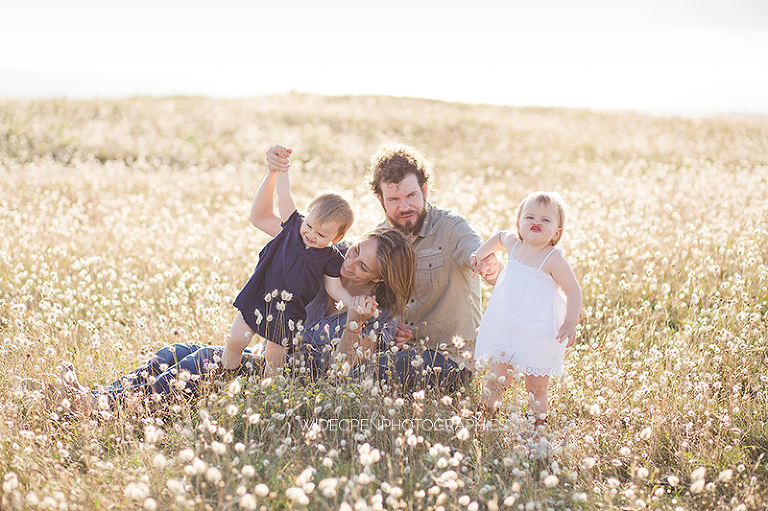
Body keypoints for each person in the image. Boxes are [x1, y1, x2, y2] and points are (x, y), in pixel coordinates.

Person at [57, 227, 415, 413]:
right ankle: (99, 398)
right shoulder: (326, 260)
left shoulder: (378, 317)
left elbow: (341, 372)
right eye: (354, 251)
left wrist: (354, 318)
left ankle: (105, 407)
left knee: (205, 361)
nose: (350, 263)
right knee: (177, 350)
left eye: (363, 265)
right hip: (268, 357)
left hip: (296, 381)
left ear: (380, 278)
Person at [364, 143, 500, 393]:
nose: (404, 207)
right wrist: (389, 329)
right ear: (380, 199)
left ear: (425, 190)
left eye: (411, 196)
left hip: (450, 359)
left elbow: (474, 252)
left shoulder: (453, 228)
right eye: (393, 199)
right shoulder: (379, 239)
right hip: (398, 352)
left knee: (366, 374)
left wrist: (487, 262)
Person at [223, 145, 355, 376]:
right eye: (310, 225)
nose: (311, 234)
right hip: (259, 294)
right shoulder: (292, 226)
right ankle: (226, 376)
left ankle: (267, 394)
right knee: (235, 340)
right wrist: (281, 167)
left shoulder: (331, 258)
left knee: (275, 358)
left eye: (322, 235)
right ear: (307, 214)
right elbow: (284, 194)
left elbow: (334, 287)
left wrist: (353, 303)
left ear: (337, 237)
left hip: (289, 311)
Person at [470, 191, 582, 426]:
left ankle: (537, 426)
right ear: (519, 224)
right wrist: (481, 254)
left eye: (545, 220)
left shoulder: (552, 259)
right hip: (508, 325)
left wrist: (570, 322)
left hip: (538, 333)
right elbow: (501, 236)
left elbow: (573, 290)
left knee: (537, 386)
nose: (536, 223)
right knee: (497, 378)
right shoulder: (515, 245)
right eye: (529, 217)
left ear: (557, 233)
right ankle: (486, 418)